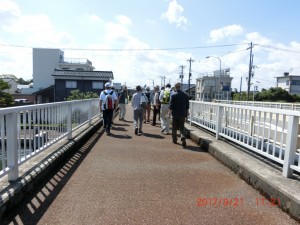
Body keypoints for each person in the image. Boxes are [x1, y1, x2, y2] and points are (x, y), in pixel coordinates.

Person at [169, 82, 189, 147]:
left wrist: (169, 113)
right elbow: (187, 105)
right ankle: (182, 136)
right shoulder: (185, 95)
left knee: (174, 127)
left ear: (175, 87)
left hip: (175, 114)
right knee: (181, 127)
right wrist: (187, 112)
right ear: (180, 87)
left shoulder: (173, 96)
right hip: (182, 114)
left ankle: (174, 139)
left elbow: (171, 106)